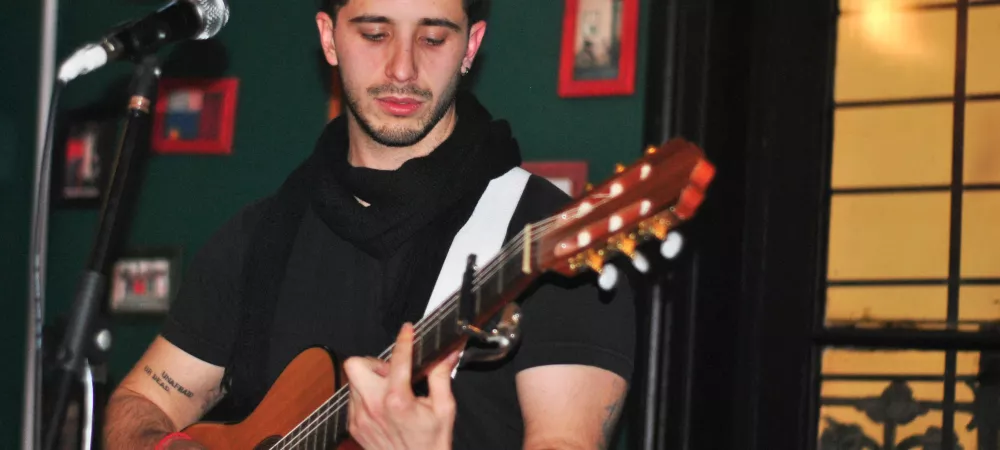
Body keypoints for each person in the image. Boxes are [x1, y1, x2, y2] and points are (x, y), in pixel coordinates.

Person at [102, 0, 637, 448]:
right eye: (375, 34)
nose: (402, 69)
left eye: (432, 39)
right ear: (329, 37)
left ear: (470, 47)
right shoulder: (262, 234)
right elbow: (139, 405)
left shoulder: (544, 236)